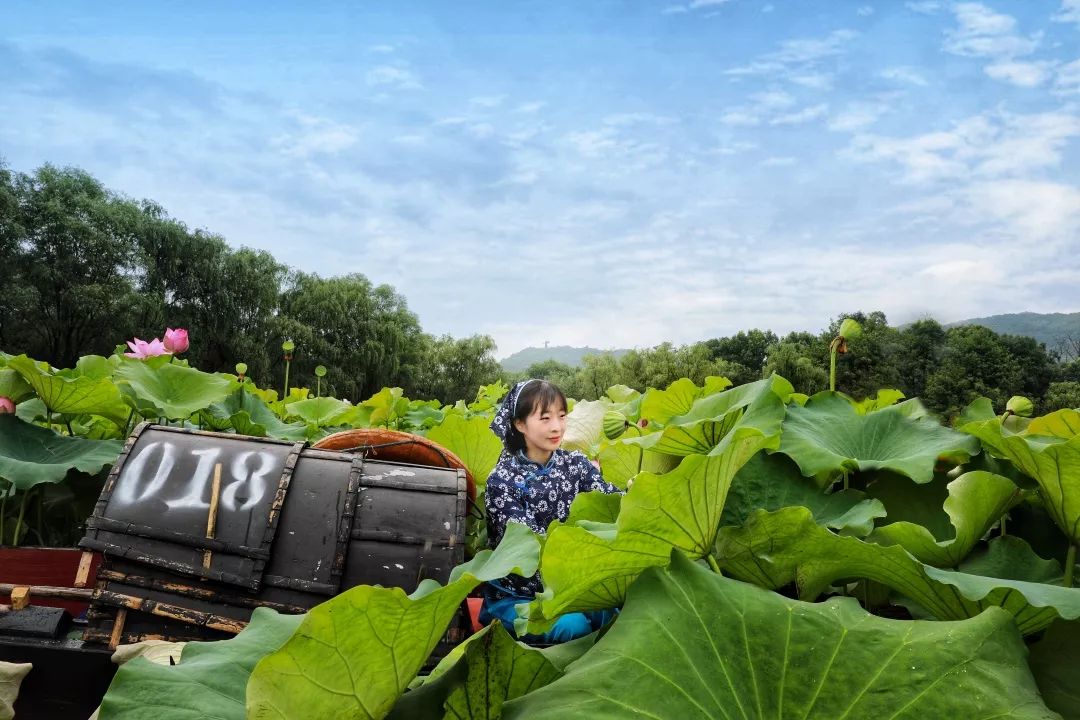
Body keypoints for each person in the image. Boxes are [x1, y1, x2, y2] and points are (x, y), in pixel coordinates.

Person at [480, 378, 622, 643]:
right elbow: (530, 552)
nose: (557, 427)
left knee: (615, 612)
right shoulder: (502, 481)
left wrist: (636, 492)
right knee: (572, 627)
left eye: (561, 415)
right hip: (518, 597)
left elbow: (613, 500)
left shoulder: (576, 465)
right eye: (545, 418)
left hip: (573, 585)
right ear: (519, 424)